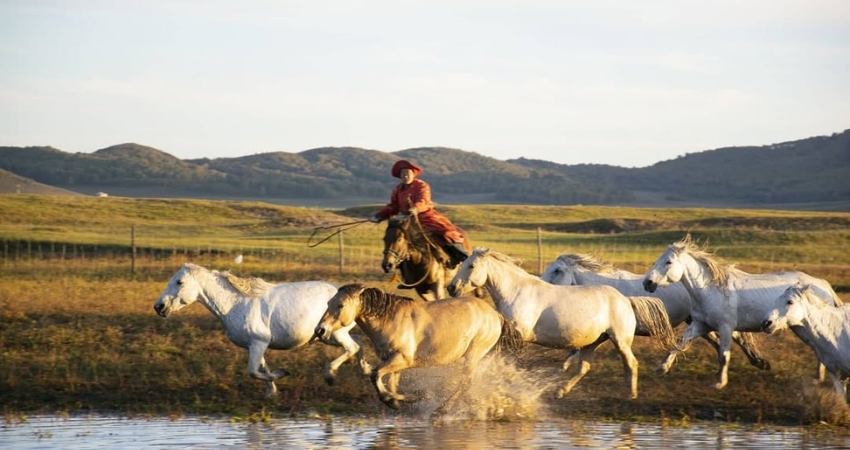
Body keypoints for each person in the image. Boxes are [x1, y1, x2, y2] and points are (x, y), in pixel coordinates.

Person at [369, 160, 469, 266]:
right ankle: (395, 261)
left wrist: (416, 208)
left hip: (426, 217)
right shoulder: (397, 189)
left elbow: (424, 200)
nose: (405, 176)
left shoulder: (422, 185)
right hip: (407, 220)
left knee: (445, 232)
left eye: (408, 173)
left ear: (413, 174)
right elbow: (393, 206)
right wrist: (379, 216)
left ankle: (461, 256)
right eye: (402, 173)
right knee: (394, 236)